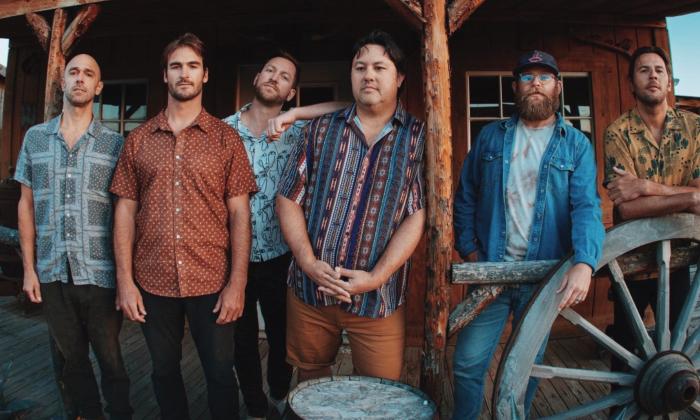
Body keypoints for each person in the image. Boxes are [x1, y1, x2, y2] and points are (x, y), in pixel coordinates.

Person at [110, 33, 257, 420]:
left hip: (211, 279)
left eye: (192, 66)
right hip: (153, 280)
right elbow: (124, 211)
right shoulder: (138, 140)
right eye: (176, 66)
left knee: (221, 375)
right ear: (165, 75)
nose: (184, 73)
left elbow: (241, 214)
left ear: (205, 75)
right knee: (163, 371)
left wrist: (237, 284)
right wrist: (125, 282)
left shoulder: (227, 141)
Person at [452, 50, 604, 419]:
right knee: (467, 364)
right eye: (527, 76)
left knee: (526, 370)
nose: (536, 83)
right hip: (494, 272)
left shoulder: (575, 144)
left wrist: (585, 262)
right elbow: (465, 196)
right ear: (515, 86)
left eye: (545, 76)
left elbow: (586, 206)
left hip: (542, 279)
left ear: (558, 87)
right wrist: (470, 249)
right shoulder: (491, 137)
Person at [275, 30, 426, 383]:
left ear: (400, 78)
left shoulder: (418, 137)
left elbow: (415, 215)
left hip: (377, 301)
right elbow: (287, 197)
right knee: (310, 379)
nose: (368, 75)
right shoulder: (319, 130)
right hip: (311, 291)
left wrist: (376, 277)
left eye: (379, 67)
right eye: (360, 67)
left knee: (379, 391)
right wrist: (308, 263)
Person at [222, 52, 345, 418]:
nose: (275, 77)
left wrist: (295, 115)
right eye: (270, 71)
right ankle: (256, 407)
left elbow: (348, 107)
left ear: (292, 92)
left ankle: (278, 394)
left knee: (281, 337)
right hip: (232, 257)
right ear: (257, 77)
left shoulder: (300, 130)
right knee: (241, 342)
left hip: (282, 256)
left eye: (285, 76)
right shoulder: (221, 130)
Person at [16, 54, 132, 420]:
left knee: (111, 361)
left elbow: (126, 214)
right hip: (51, 272)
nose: (80, 79)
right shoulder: (35, 138)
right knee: (72, 361)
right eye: (74, 72)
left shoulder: (115, 145)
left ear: (98, 87)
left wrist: (127, 277)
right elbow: (26, 205)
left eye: (89, 74)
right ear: (62, 82)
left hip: (101, 274)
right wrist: (29, 270)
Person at [604, 46, 700, 373]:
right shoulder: (618, 132)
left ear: (670, 82)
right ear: (632, 83)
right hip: (631, 258)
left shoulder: (695, 129)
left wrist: (646, 188)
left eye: (659, 70)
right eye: (644, 70)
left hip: (679, 259)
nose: (653, 76)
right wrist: (687, 199)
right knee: (625, 349)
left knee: (677, 349)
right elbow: (628, 210)